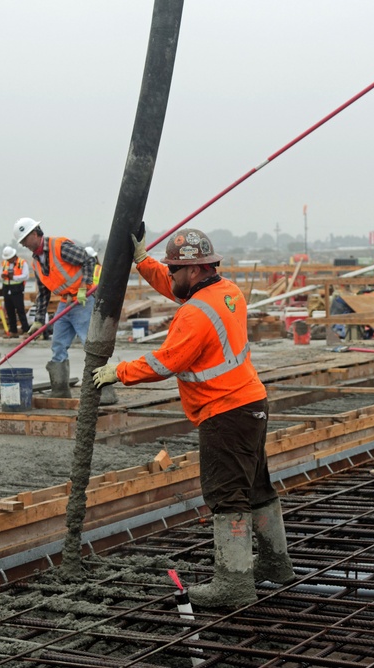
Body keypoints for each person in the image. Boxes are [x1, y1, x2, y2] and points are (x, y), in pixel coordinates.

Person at [91, 227, 293, 608]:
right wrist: (143, 261)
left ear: (196, 270)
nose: (170, 275)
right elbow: (175, 289)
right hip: (252, 404)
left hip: (225, 412)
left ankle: (233, 584)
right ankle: (275, 564)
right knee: (257, 488)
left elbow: (166, 361)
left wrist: (119, 372)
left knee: (226, 495)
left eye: (175, 269)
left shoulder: (195, 315)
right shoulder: (227, 292)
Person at [13, 217, 95, 399]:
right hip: (65, 303)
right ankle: (60, 390)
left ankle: (101, 391)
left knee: (90, 345)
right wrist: (39, 320)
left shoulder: (60, 247)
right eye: (21, 241)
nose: (24, 244)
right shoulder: (36, 262)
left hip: (82, 301)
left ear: (35, 234)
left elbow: (89, 261)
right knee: (58, 345)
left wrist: (84, 287)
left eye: (25, 239)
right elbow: (43, 293)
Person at [0, 246, 30, 337]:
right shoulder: (4, 263)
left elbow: (26, 276)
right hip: (6, 288)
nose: (8, 260)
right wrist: (4, 276)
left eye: (9, 258)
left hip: (17, 289)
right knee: (9, 310)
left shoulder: (22, 263)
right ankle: (13, 331)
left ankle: (26, 330)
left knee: (20, 310)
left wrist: (14, 277)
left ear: (13, 256)